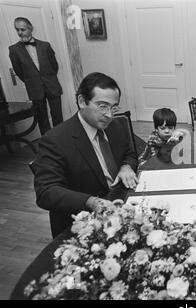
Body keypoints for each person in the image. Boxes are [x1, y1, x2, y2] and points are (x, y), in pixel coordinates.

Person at [33, 72, 138, 238]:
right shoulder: (55, 140)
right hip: (84, 223)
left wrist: (126, 166)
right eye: (102, 106)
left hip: (120, 203)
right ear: (82, 101)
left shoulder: (114, 126)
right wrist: (92, 202)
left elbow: (130, 154)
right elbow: (46, 192)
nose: (110, 115)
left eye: (114, 107)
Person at [9, 17, 63, 135]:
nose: (19, 33)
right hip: (34, 89)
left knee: (57, 116)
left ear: (30, 28)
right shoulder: (14, 50)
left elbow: (54, 66)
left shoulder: (45, 46)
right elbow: (19, 72)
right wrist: (33, 81)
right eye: (17, 30)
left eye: (22, 29)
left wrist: (48, 78)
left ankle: (60, 140)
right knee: (42, 119)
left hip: (52, 86)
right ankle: (48, 143)